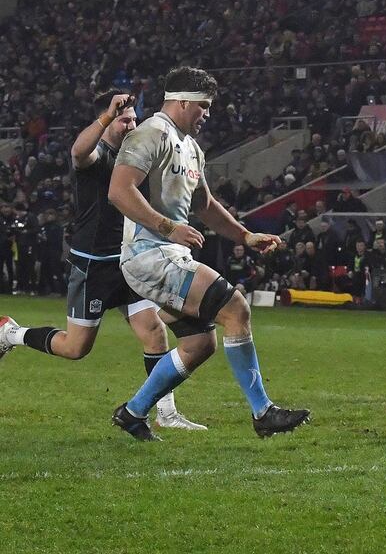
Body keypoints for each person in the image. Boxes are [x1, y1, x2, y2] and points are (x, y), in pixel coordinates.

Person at [106, 66, 309, 441]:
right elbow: (119, 192)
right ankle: (263, 412)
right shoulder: (151, 133)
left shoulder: (191, 147)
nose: (208, 114)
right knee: (237, 309)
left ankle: (132, 413)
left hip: (166, 253)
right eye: (205, 107)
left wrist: (245, 236)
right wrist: (168, 227)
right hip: (148, 254)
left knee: (200, 344)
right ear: (184, 101)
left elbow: (205, 204)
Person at [0, 89, 204, 430]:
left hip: (128, 261)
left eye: (134, 120)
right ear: (108, 120)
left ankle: (166, 413)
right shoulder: (97, 155)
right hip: (93, 263)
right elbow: (78, 152)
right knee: (75, 347)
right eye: (125, 120)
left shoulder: (135, 157)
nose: (131, 125)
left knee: (155, 333)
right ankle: (11, 333)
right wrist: (108, 115)